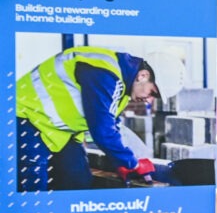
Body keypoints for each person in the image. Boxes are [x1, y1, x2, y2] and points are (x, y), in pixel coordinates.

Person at [16, 46, 161, 191]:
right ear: (143, 75)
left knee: (78, 180)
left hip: (57, 129)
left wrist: (121, 161)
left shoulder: (122, 88)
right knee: (33, 184)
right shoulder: (105, 73)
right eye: (151, 93)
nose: (148, 101)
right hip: (26, 116)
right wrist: (133, 163)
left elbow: (112, 126)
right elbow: (102, 131)